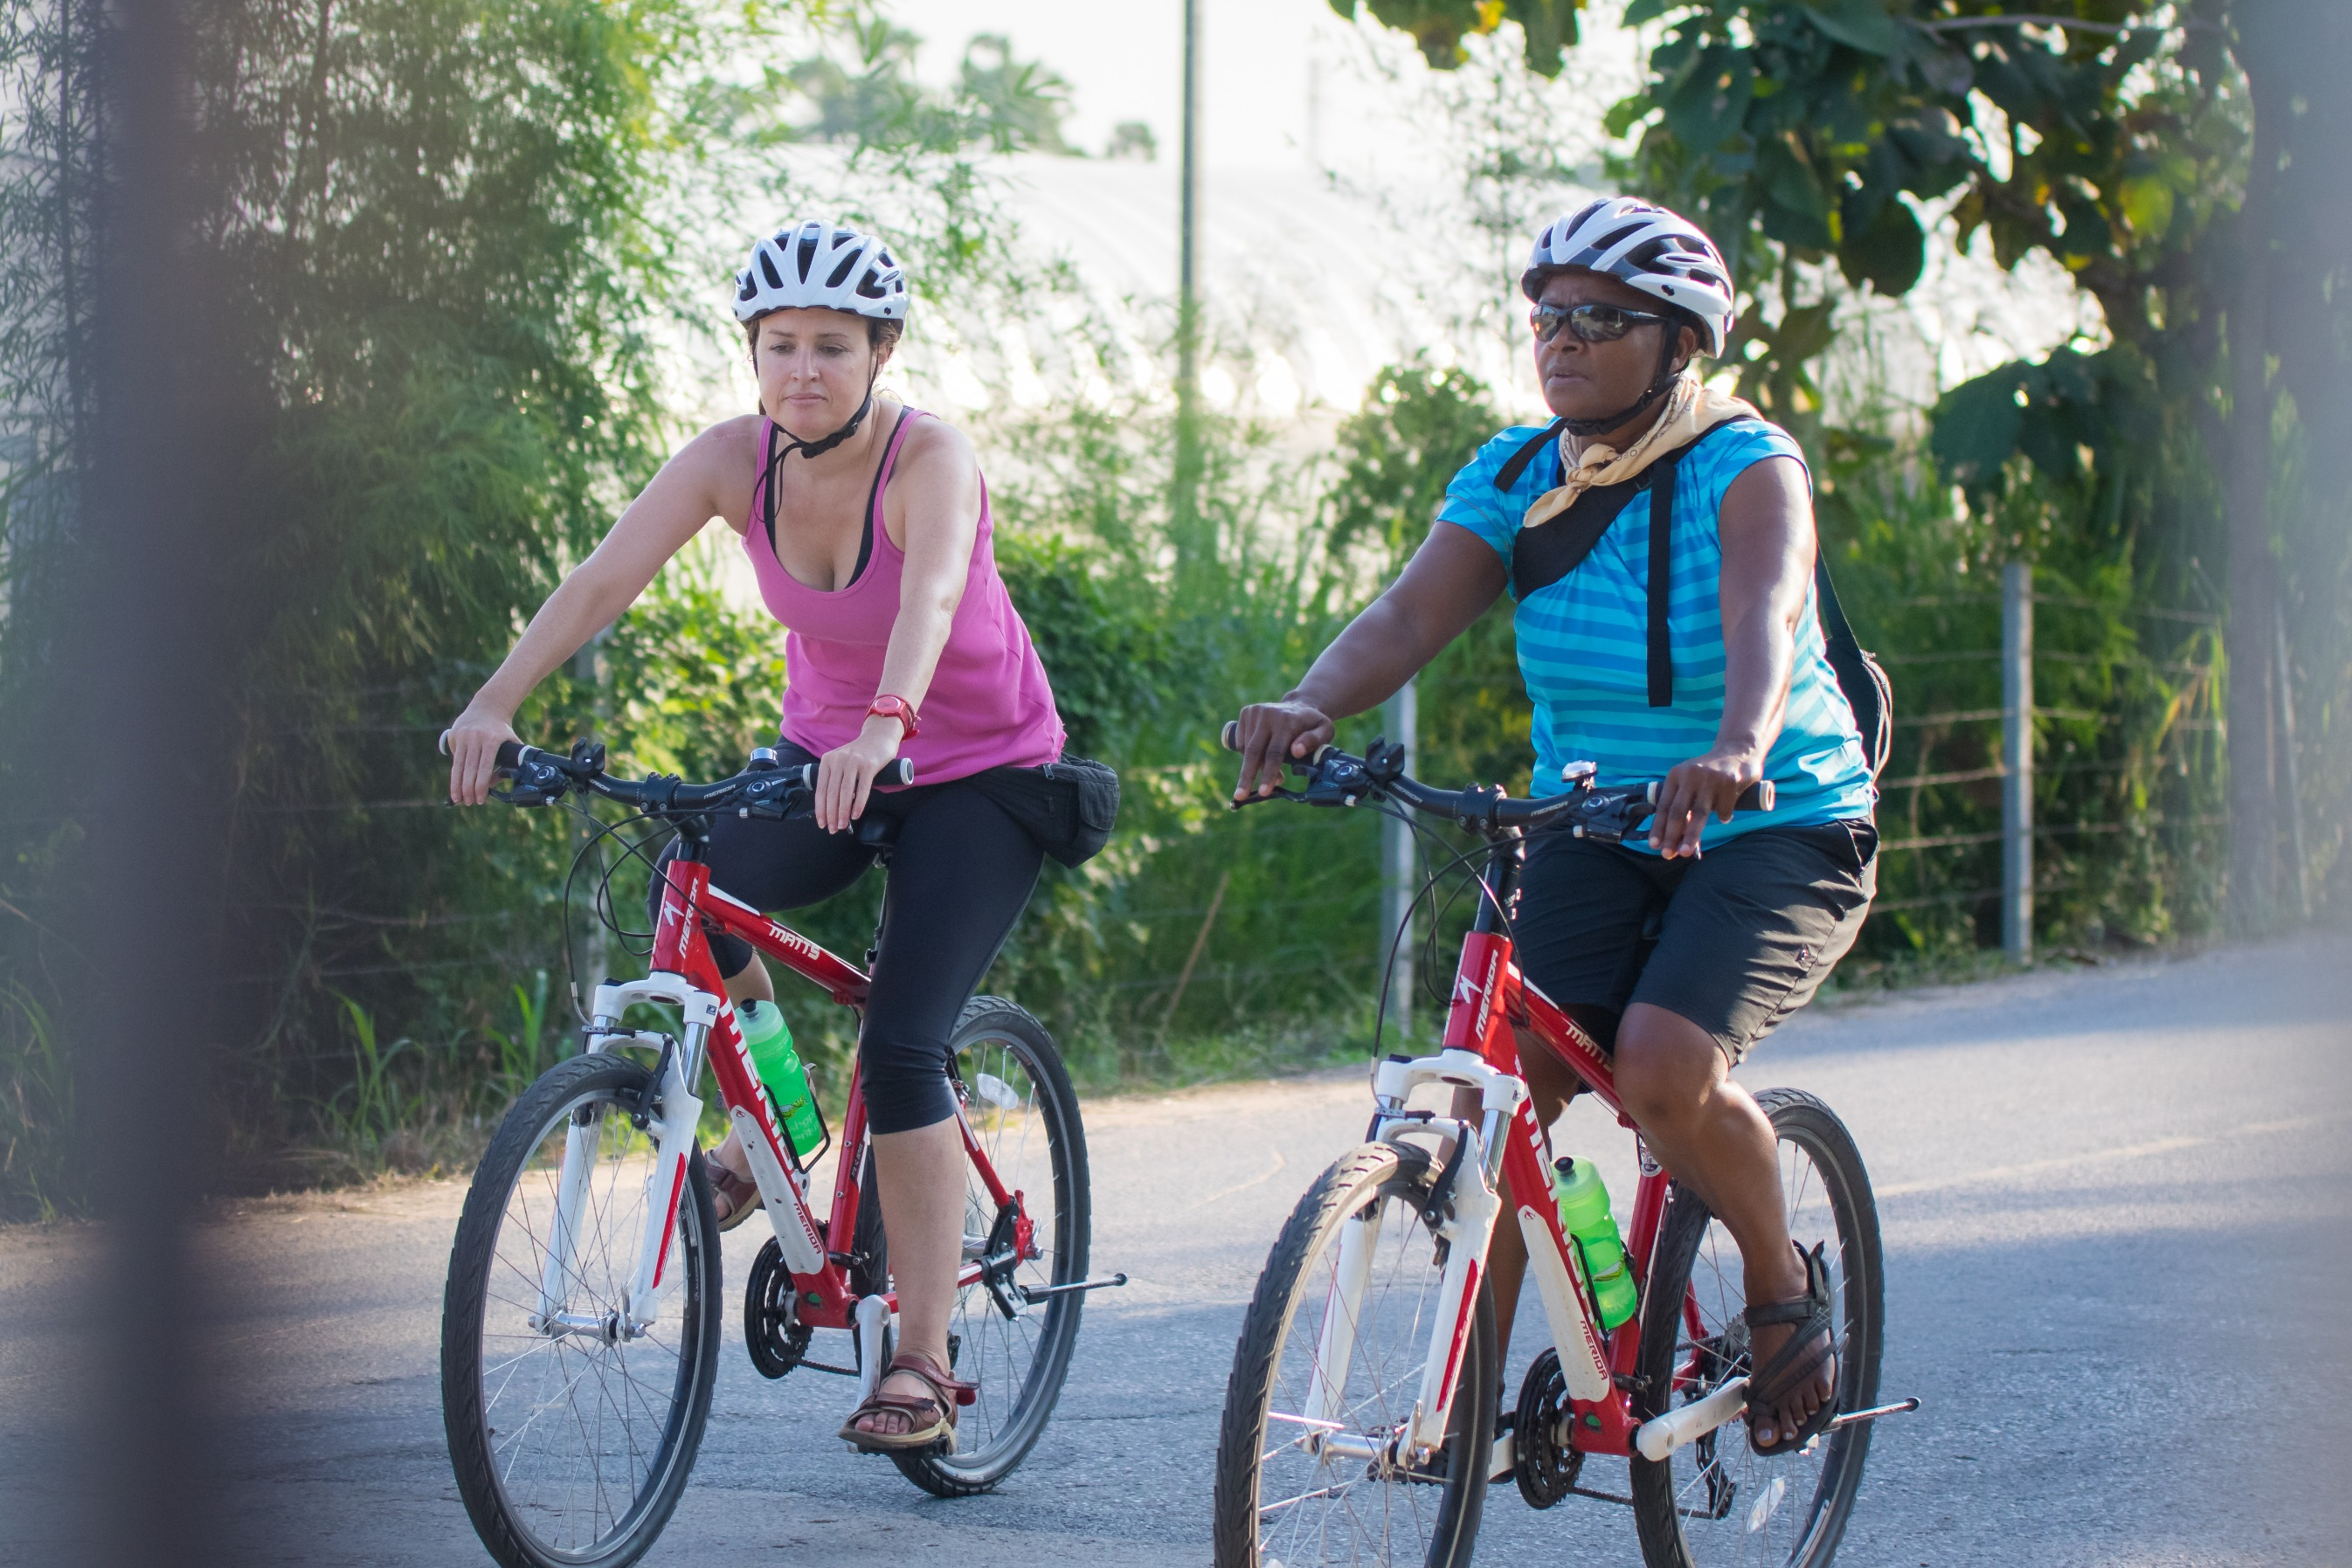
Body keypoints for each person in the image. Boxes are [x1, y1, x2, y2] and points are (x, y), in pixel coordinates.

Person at [1226, 197, 1878, 1456]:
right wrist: (1308, 702)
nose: (1561, 339)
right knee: (1492, 1090)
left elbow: (1768, 608)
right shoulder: (1517, 474)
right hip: (1591, 814)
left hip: (1773, 819)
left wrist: (1738, 747)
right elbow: (1408, 620)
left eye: (1600, 318)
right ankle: (1463, 1391)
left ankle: (1782, 1289)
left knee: (1661, 1067)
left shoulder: (1748, 462)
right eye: (1547, 315)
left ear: (1678, 341)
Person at [445, 219, 1067, 1455]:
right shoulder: (737, 461)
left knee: (902, 1046)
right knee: (701, 884)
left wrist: (888, 723)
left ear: (880, 350)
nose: (802, 371)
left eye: (832, 346)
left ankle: (925, 1361)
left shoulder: (929, 456)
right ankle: (769, 1121)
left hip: (979, 772)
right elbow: (602, 579)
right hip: (824, 758)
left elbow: (934, 594)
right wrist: (495, 702)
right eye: (779, 345)